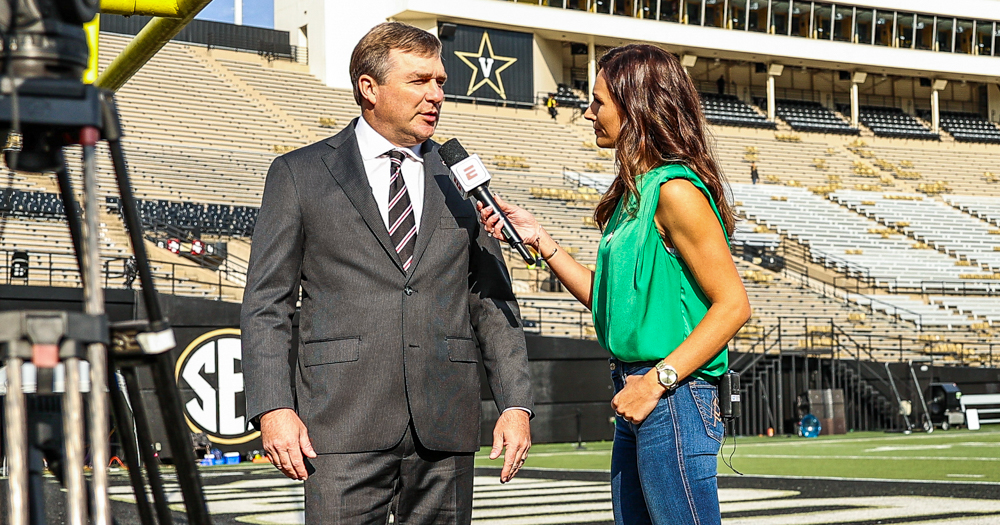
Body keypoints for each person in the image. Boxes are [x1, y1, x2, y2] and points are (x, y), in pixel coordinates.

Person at [241, 22, 533, 525]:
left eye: (440, 81)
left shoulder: (462, 179)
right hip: (338, 425)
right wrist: (273, 407)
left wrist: (516, 405)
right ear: (369, 88)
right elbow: (267, 301)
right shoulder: (299, 173)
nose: (437, 95)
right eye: (420, 81)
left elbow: (489, 299)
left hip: (444, 426)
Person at [478, 44, 751, 525]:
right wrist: (541, 240)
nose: (588, 113)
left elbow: (733, 306)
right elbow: (606, 302)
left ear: (637, 107)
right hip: (639, 391)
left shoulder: (676, 192)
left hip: (672, 394)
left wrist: (657, 381)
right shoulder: (633, 194)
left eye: (599, 101)